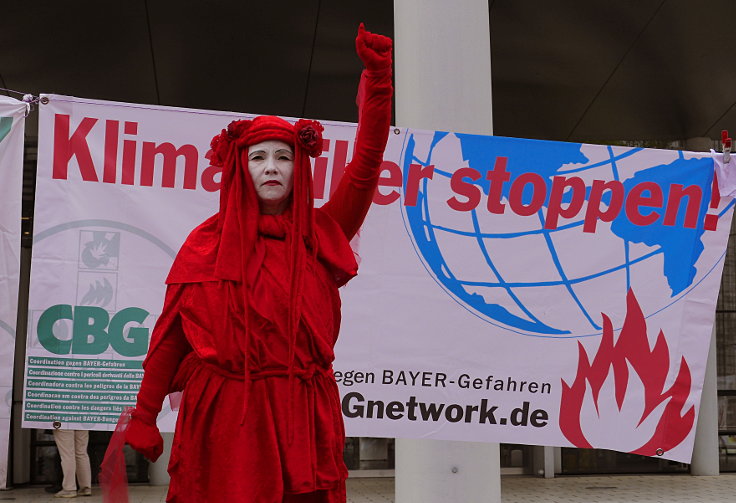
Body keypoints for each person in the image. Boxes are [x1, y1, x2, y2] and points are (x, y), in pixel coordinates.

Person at [123, 24, 393, 502]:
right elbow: (169, 338)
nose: (272, 167)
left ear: (299, 168)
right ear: (239, 167)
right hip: (227, 416)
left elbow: (367, 163)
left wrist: (378, 83)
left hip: (300, 413)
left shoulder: (321, 232)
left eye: (284, 157)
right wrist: (144, 415)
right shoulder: (204, 244)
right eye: (259, 157)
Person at [52, 428, 92, 498]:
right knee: (81, 453)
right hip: (81, 420)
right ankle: (85, 487)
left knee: (67, 454)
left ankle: (69, 489)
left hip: (63, 420)